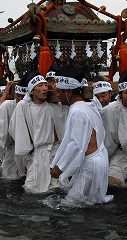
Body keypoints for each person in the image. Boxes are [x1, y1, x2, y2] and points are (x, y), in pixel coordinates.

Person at [50, 65, 113, 205]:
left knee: (71, 205)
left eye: (60, 92)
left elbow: (75, 144)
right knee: (90, 203)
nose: (58, 95)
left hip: (91, 165)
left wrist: (59, 167)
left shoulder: (77, 111)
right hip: (100, 159)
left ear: (69, 92)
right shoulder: (90, 105)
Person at [9, 70, 68, 193]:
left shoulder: (55, 106)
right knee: (32, 188)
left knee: (58, 188)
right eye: (40, 86)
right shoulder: (23, 107)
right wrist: (27, 153)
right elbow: (15, 129)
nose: (45, 88)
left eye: (46, 85)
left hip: (55, 153)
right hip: (37, 154)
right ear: (31, 91)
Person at [0, 77, 29, 179]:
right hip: (12, 148)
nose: (21, 99)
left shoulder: (33, 107)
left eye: (23, 96)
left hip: (29, 150)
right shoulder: (7, 106)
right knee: (8, 177)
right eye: (18, 96)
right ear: (14, 95)